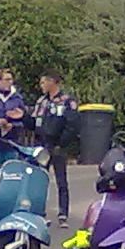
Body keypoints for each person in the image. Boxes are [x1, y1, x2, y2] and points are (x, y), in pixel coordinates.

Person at [31, 71, 80, 226]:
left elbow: (72, 125)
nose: (41, 86)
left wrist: (61, 143)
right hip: (42, 146)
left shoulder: (67, 101)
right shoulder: (41, 101)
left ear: (52, 82)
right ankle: (39, 212)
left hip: (58, 145)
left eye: (44, 82)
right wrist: (23, 117)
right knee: (39, 180)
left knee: (61, 180)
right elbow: (34, 123)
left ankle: (63, 214)